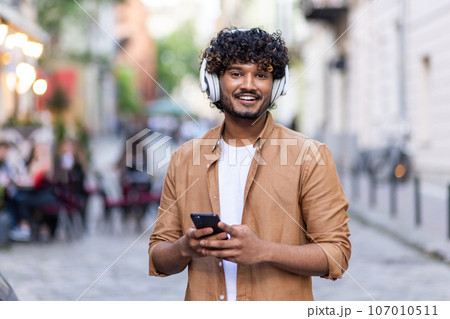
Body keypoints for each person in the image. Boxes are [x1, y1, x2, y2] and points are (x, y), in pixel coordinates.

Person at [148, 27, 351, 301]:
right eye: (236, 73)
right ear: (213, 80)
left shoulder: (311, 156)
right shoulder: (184, 158)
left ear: (276, 85)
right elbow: (159, 257)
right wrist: (185, 247)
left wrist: (264, 251)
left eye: (262, 75)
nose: (249, 84)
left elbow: (336, 254)